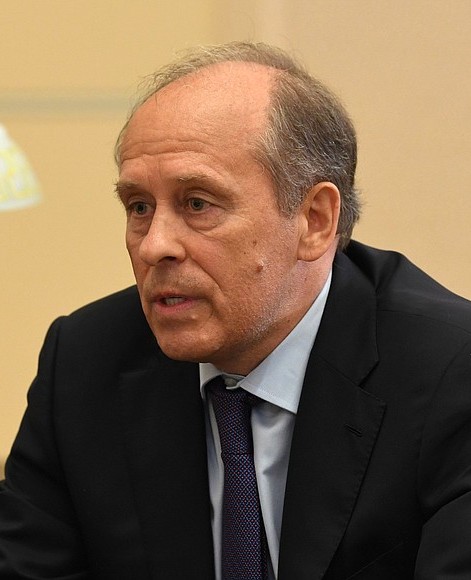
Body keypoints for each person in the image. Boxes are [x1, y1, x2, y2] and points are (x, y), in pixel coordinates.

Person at [1, 41, 471, 580]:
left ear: (315, 220)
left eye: (198, 203)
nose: (154, 245)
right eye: (139, 207)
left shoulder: (451, 374)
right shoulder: (85, 364)